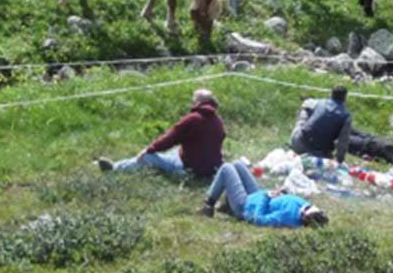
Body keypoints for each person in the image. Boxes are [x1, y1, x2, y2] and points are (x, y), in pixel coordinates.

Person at [95, 88, 225, 180]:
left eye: (193, 100)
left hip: (190, 170)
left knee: (147, 157)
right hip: (212, 169)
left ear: (197, 102)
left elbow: (170, 138)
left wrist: (149, 149)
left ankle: (115, 168)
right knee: (175, 152)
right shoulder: (217, 120)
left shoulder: (193, 119)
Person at [199, 159, 329, 227]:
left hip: (245, 206)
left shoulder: (286, 216)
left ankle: (208, 206)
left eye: (306, 209)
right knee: (237, 164)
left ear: (304, 216)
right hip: (256, 196)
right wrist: (282, 193)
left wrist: (266, 197)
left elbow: (258, 220)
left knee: (226, 168)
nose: (306, 206)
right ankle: (227, 206)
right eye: (309, 206)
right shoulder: (304, 206)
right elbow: (287, 201)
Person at [290, 86, 352, 162]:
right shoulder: (346, 116)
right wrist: (340, 159)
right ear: (345, 98)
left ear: (331, 94)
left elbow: (305, 104)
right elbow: (343, 141)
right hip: (318, 153)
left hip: (298, 142)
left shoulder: (317, 102)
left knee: (303, 119)